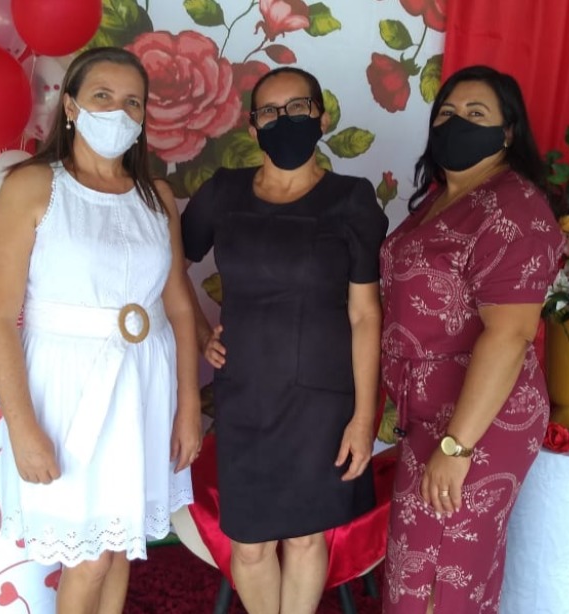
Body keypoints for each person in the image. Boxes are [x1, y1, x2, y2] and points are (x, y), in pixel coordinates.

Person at [0, 47, 201, 614]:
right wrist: (23, 427)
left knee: (120, 544)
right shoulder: (33, 187)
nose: (119, 112)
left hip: (143, 386)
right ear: (71, 106)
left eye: (133, 102)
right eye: (103, 96)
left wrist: (188, 407)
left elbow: (179, 309)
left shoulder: (157, 198)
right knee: (89, 558)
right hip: (68, 390)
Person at [181, 66, 388, 614]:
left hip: (321, 401)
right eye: (270, 112)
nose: (284, 119)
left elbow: (365, 315)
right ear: (253, 128)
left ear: (321, 116)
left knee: (304, 537)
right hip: (245, 394)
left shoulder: (352, 200)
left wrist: (363, 418)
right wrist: (200, 331)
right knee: (249, 547)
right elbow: (166, 265)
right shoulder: (223, 192)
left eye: (298, 107)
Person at [380, 65, 563, 613]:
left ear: (508, 131)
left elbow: (510, 334)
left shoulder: (514, 207)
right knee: (423, 560)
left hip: (479, 418)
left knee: (439, 568)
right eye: (447, 112)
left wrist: (457, 447)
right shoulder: (445, 196)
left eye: (475, 113)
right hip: (433, 412)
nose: (456, 121)